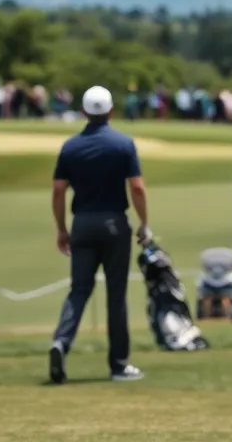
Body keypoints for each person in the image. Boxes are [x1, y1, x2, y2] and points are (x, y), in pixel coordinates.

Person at [48, 85, 151, 384]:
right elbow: (137, 188)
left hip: (81, 223)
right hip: (114, 224)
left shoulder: (70, 147)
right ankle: (119, 364)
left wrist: (61, 229)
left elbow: (57, 191)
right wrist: (144, 223)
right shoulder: (123, 144)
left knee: (79, 291)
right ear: (110, 111)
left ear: (83, 112)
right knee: (115, 295)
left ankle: (61, 343)